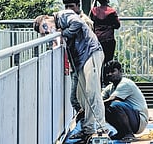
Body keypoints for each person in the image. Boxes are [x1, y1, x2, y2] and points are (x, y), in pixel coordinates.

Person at [33, 10, 106, 141]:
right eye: (45, 32)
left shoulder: (63, 15)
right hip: (81, 60)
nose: (48, 30)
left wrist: (62, 33)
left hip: (91, 52)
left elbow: (78, 23)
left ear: (47, 18)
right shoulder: (58, 28)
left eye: (45, 26)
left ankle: (102, 128)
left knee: (92, 92)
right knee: (83, 96)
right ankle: (88, 128)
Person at [62, 0, 94, 118]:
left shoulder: (85, 21)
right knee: (78, 98)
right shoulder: (68, 20)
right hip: (75, 63)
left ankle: (85, 124)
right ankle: (84, 124)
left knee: (76, 99)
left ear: (78, 5)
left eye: (71, 6)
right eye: (66, 7)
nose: (69, 10)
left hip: (83, 63)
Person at [102, 60, 149, 141]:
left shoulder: (125, 83)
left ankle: (129, 133)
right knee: (104, 108)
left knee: (114, 105)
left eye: (113, 71)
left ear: (120, 71)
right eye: (108, 72)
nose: (110, 74)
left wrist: (96, 105)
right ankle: (121, 132)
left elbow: (112, 99)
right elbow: (99, 100)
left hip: (139, 121)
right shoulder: (110, 87)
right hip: (132, 118)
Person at [90, 0, 121, 86]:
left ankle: (98, 81)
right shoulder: (111, 11)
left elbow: (91, 23)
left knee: (99, 61)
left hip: (98, 39)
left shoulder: (94, 11)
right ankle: (107, 81)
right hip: (109, 39)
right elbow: (117, 25)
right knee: (108, 61)